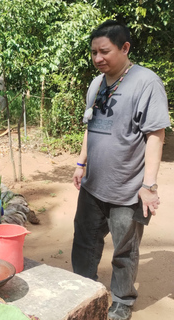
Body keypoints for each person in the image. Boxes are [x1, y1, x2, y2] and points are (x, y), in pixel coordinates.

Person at [71, 20, 170, 320]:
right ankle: (83, 289)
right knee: (84, 241)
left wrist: (148, 185)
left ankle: (123, 301)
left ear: (125, 48)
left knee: (125, 250)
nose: (98, 58)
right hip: (93, 185)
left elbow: (156, 135)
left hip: (127, 188)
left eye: (105, 51)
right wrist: (81, 162)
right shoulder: (96, 83)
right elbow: (91, 126)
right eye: (93, 52)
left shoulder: (146, 82)